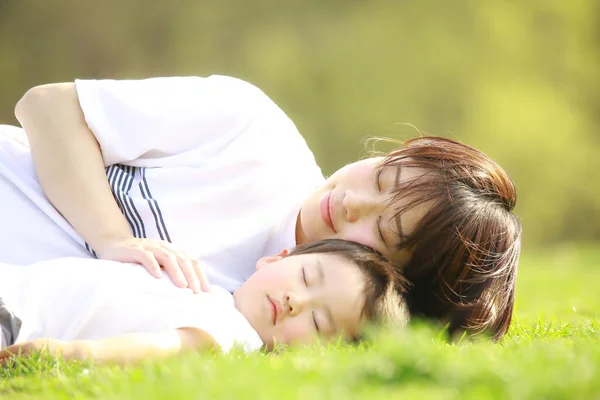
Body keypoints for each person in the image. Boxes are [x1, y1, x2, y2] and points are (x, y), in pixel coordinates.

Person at [1, 74, 521, 339]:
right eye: (384, 177)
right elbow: (48, 107)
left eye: (382, 233)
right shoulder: (251, 129)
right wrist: (113, 237)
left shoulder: (278, 316)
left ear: (392, 282)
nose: (351, 202)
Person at [0, 240, 409, 365]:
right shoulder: (207, 285)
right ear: (276, 257)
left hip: (18, 322)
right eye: (305, 277)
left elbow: (165, 347)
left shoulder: (236, 337)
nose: (294, 301)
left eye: (320, 322)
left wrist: (74, 353)